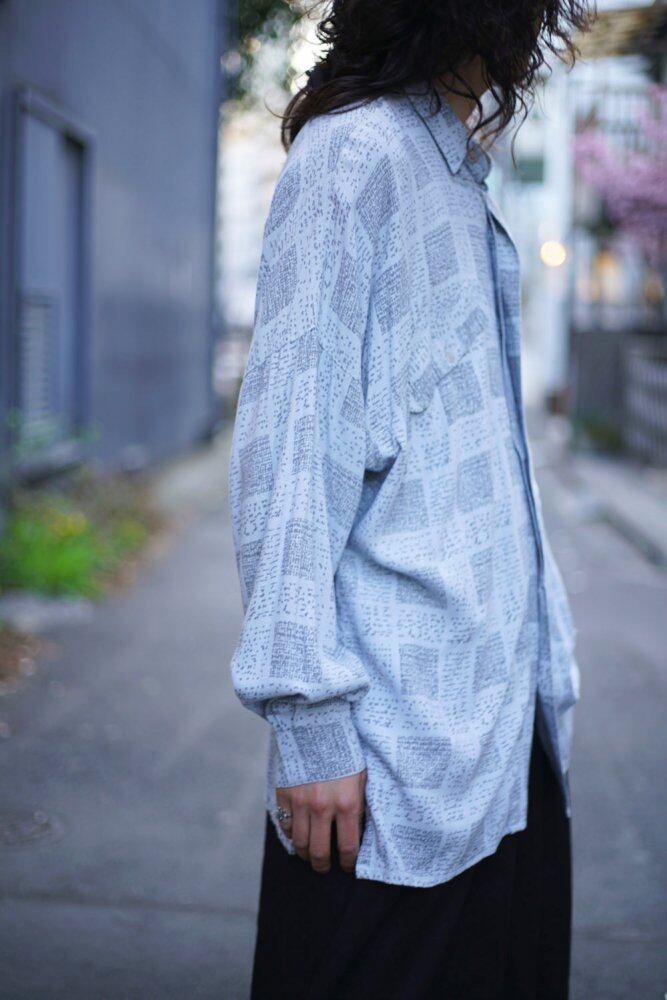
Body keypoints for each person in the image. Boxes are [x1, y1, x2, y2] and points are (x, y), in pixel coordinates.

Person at [228, 2, 593, 997]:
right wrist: (309, 726)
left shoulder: (455, 169)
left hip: (504, 736)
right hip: (395, 762)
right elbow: (290, 457)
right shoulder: (356, 157)